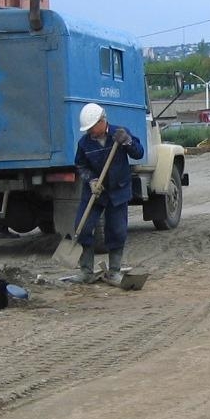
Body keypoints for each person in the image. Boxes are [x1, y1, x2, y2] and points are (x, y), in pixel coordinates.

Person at [73, 102, 144, 284]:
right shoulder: (84, 143)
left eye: (91, 128)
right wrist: (91, 180)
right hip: (96, 191)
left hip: (118, 189)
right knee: (83, 227)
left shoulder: (119, 134)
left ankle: (114, 271)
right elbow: (81, 165)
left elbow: (139, 153)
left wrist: (127, 141)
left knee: (117, 230)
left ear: (101, 121)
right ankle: (86, 271)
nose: (89, 132)